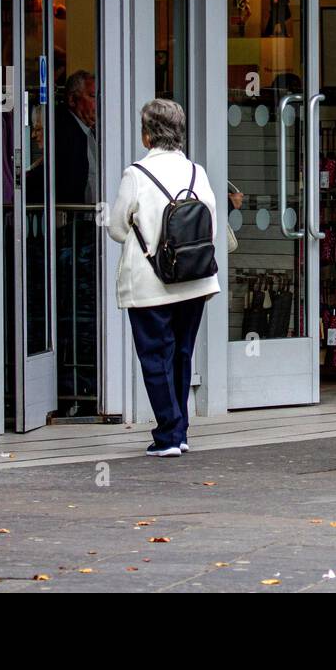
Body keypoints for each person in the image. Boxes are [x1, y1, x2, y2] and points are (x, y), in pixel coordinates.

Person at [107, 99, 220, 457]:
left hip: (151, 283)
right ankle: (180, 430)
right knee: (182, 353)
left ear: (146, 134)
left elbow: (116, 227)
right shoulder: (196, 172)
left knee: (155, 356)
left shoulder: (136, 174)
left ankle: (168, 435)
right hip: (195, 279)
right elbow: (211, 225)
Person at [56, 70, 98, 205]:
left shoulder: (90, 130)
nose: (100, 103)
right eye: (93, 96)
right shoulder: (64, 132)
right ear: (72, 99)